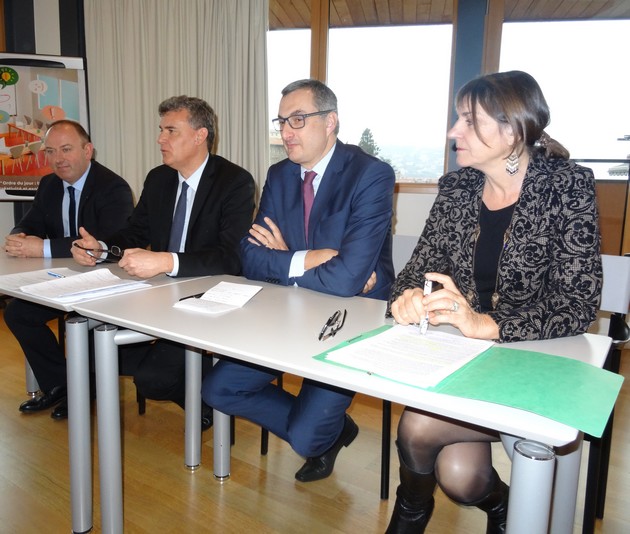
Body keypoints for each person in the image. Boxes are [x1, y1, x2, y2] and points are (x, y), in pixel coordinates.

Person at [384, 70, 602, 534]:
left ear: (513, 130)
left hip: (539, 359)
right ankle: (503, 509)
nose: (453, 132)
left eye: (469, 120)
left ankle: (409, 515)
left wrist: (487, 324)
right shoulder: (457, 187)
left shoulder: (567, 186)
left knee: (418, 428)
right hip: (466, 358)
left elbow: (578, 303)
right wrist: (408, 297)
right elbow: (416, 270)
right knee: (460, 478)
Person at [202, 78, 396, 482]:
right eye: (281, 121)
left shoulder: (370, 174)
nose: (286, 131)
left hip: (350, 317)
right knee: (218, 389)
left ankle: (321, 430)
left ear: (331, 122)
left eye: (298, 119)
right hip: (289, 312)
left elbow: (347, 280)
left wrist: (283, 261)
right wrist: (307, 258)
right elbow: (249, 258)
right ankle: (329, 426)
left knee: (307, 442)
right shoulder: (280, 174)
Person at [71, 95, 255, 429]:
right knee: (87, 346)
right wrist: (101, 248)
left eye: (171, 131)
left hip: (208, 297)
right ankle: (200, 393)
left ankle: (208, 403)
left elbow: (231, 257)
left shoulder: (234, 182)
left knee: (153, 379)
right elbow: (135, 232)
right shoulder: (159, 178)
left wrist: (166, 261)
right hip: (157, 293)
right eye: (161, 130)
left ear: (200, 135)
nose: (160, 139)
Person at [4, 119, 134, 420]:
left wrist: (43, 248)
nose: (58, 159)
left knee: (80, 323)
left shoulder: (113, 187)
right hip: (62, 276)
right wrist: (19, 237)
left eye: (66, 149)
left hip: (105, 279)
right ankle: (62, 384)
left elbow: (108, 240)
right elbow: (30, 222)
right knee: (18, 314)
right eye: (50, 151)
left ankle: (82, 390)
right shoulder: (49, 184)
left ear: (88, 151)